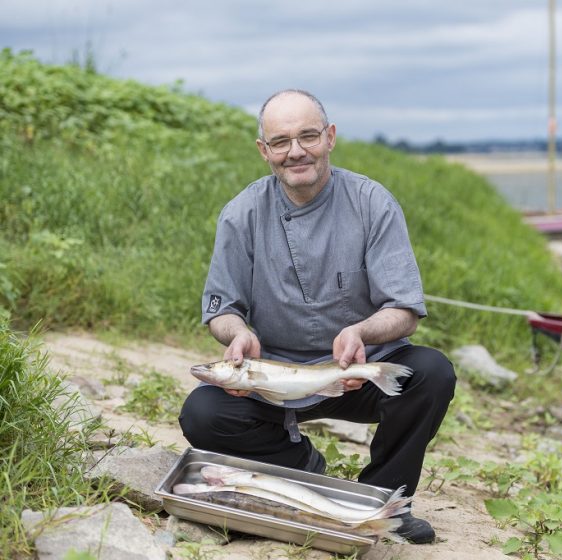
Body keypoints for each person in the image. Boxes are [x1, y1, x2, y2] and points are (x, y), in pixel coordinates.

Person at [179, 89, 456, 544]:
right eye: (281, 141)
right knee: (202, 413)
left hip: (357, 371)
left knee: (430, 372)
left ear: (329, 138)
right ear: (264, 151)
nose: (296, 152)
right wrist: (238, 333)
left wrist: (363, 331)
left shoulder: (372, 202)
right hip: (271, 380)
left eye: (308, 136)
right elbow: (220, 310)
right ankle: (306, 473)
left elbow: (405, 309)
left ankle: (385, 497)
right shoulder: (241, 213)